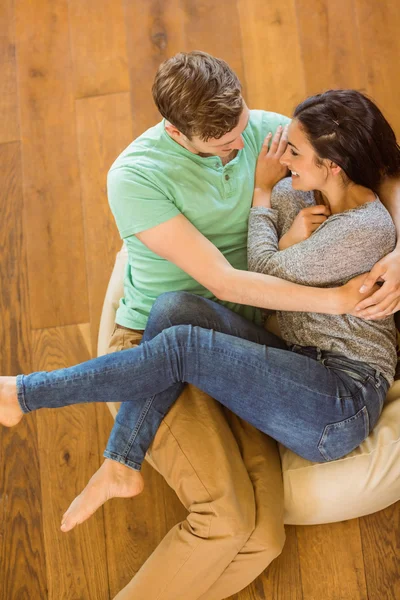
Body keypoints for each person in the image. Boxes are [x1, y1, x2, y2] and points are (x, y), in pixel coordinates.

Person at [3, 54, 400, 600]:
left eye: (244, 130)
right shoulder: (136, 176)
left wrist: (396, 252)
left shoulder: (266, 136)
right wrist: (329, 292)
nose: (246, 149)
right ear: (176, 132)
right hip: (187, 340)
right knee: (174, 312)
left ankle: (55, 415)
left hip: (315, 379)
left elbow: (375, 179)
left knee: (259, 534)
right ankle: (92, 441)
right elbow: (232, 281)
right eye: (223, 144)